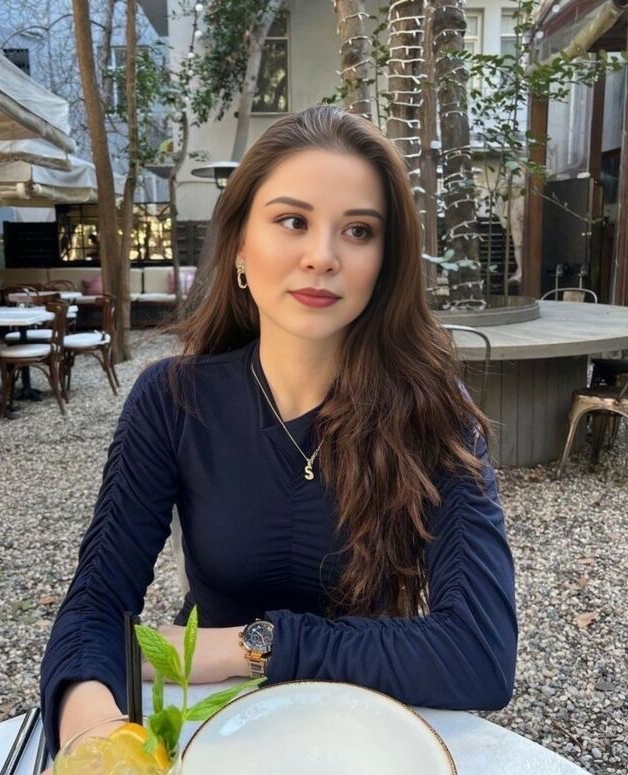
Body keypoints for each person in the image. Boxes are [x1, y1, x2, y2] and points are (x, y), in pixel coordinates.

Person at [40, 106, 517, 757]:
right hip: (208, 723)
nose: (321, 256)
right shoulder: (173, 401)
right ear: (240, 243)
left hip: (372, 733)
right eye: (293, 221)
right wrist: (96, 742)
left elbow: (479, 652)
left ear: (385, 263)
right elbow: (96, 609)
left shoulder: (436, 415)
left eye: (358, 230)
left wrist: (250, 646)